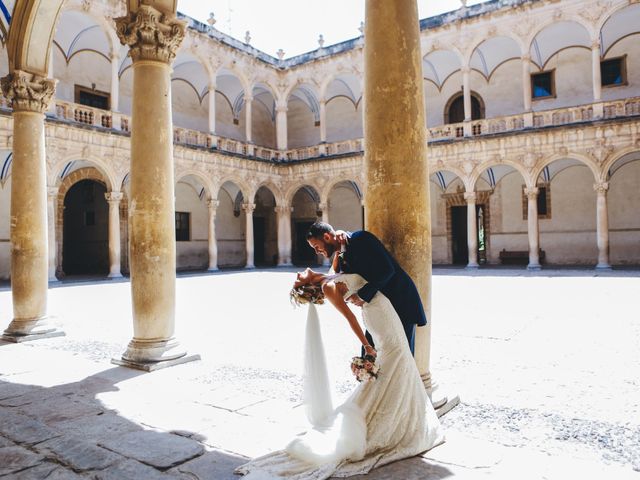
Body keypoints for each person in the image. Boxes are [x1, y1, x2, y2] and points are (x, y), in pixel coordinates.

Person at [235, 269, 443, 479]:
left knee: (398, 354)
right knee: (396, 353)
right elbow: (350, 317)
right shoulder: (328, 287)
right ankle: (391, 416)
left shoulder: (328, 276)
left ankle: (402, 411)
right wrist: (367, 347)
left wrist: (341, 241)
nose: (298, 274)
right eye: (298, 280)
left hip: (381, 308)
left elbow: (337, 259)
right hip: (376, 312)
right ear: (309, 286)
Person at [306, 221, 427, 355]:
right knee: (369, 356)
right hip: (377, 310)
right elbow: (335, 277)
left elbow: (388, 270)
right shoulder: (341, 257)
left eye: (316, 246)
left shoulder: (362, 239)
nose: (317, 251)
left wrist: (361, 296)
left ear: (327, 237)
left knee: (403, 355)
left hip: (401, 302)